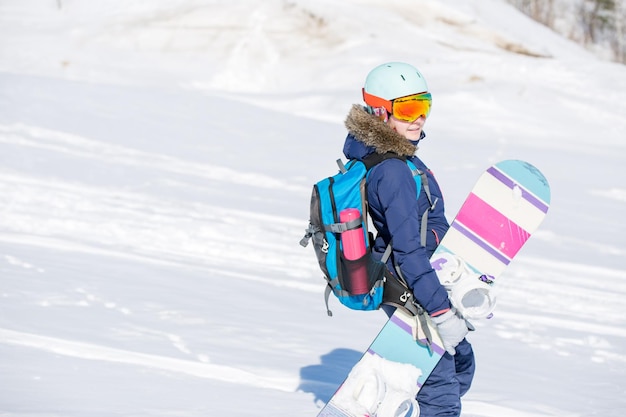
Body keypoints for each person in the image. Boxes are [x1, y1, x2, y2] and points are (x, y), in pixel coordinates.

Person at [342, 62, 475, 417]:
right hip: (409, 287)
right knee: (440, 390)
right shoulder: (393, 171)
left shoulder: (393, 158)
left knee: (461, 362)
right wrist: (442, 312)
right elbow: (408, 250)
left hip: (420, 281)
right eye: (408, 108)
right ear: (379, 112)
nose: (419, 118)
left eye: (424, 105)